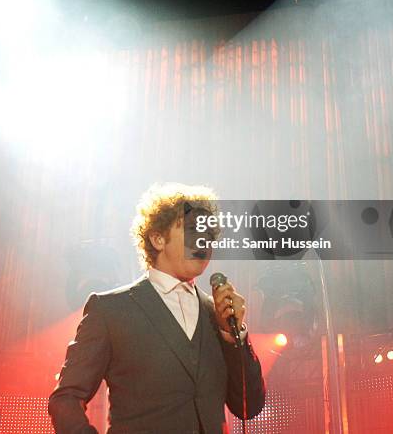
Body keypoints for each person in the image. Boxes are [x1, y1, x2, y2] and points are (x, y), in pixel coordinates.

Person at [48, 183, 265, 433]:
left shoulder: (216, 314)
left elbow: (250, 407)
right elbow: (65, 398)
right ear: (158, 238)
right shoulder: (111, 310)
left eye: (210, 234)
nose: (204, 241)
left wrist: (233, 336)